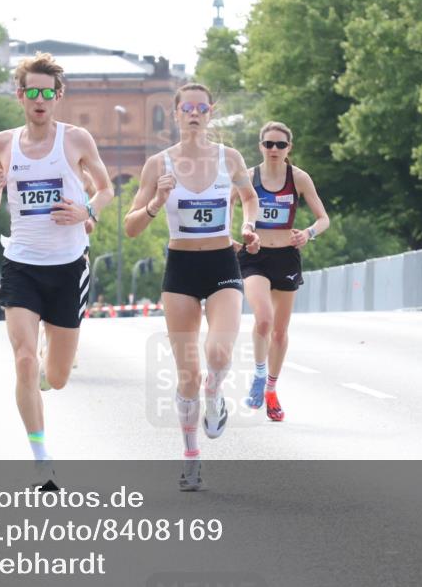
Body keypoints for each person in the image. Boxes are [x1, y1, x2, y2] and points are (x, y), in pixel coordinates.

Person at [0, 52, 114, 489]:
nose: (39, 100)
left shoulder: (76, 140)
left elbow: (106, 189)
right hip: (21, 262)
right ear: (20, 95)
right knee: (22, 358)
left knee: (56, 376)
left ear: (58, 96)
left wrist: (87, 210)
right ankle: (41, 458)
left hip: (69, 266)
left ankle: (43, 371)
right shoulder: (3, 143)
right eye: (32, 92)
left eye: (47, 93)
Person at [125, 83, 261, 491]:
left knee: (219, 352)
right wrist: (155, 203)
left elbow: (249, 197)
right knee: (187, 372)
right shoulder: (158, 165)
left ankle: (214, 396)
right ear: (176, 114)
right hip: (181, 268)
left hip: (221, 262)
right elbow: (131, 226)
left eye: (202, 107)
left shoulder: (229, 158)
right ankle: (190, 457)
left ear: (211, 112)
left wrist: (248, 226)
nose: (195, 113)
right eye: (188, 108)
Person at [233, 122, 330, 422]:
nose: (274, 149)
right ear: (260, 146)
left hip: (286, 257)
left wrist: (309, 234)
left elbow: (323, 218)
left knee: (279, 331)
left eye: (280, 145)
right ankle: (259, 375)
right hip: (255, 255)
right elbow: (225, 207)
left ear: (289, 148)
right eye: (268, 144)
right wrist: (231, 238)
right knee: (263, 319)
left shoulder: (298, 178)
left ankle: (272, 390)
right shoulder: (248, 177)